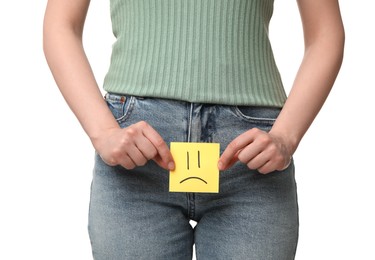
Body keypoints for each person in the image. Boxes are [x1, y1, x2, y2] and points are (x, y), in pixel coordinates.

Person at [43, 0, 344, 259]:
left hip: (251, 161)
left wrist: (285, 136)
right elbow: (60, 24)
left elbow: (326, 33)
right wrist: (103, 132)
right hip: (136, 159)